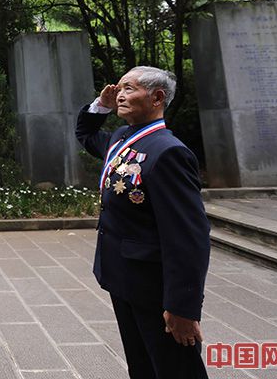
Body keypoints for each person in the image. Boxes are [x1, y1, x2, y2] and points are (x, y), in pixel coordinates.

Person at [76, 66, 210, 379]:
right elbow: (86, 135)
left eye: (129, 89)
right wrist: (101, 107)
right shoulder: (123, 138)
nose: (120, 94)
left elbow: (188, 237)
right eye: (119, 88)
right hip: (124, 277)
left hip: (154, 288)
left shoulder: (169, 152)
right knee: (143, 366)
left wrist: (182, 307)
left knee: (175, 369)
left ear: (157, 98)